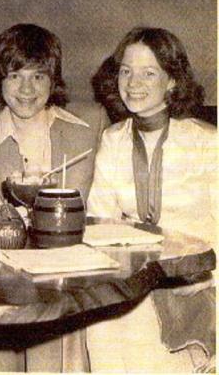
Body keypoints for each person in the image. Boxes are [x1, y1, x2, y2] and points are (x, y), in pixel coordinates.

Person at [0, 23, 109, 371]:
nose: (27, 89)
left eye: (38, 76)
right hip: (6, 286)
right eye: (15, 76)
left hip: (77, 282)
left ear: (53, 81)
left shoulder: (92, 125)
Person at [87, 27, 216, 372]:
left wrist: (205, 279)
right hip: (136, 284)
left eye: (148, 73)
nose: (133, 83)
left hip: (201, 283)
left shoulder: (206, 142)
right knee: (103, 323)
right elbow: (99, 223)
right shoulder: (113, 140)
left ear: (172, 80)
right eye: (126, 71)